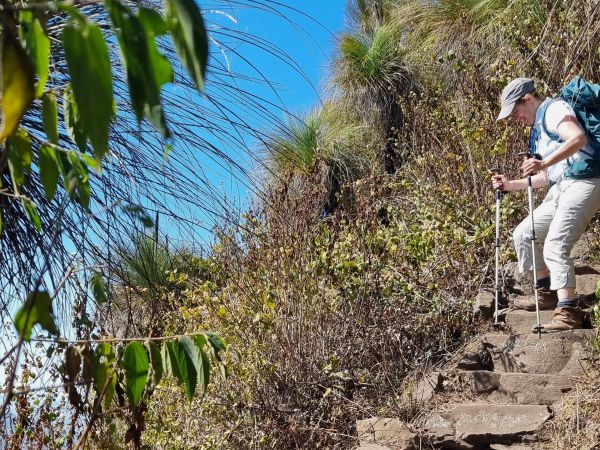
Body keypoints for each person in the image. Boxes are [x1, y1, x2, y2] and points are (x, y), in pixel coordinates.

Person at [492, 77, 600, 332]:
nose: (514, 118)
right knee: (524, 233)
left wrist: (543, 161)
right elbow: (545, 177)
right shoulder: (538, 129)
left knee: (555, 244)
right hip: (562, 187)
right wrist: (510, 185)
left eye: (515, 111)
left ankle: (569, 310)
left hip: (585, 181)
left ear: (528, 98)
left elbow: (578, 138)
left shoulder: (554, 110)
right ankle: (546, 293)